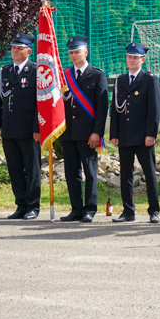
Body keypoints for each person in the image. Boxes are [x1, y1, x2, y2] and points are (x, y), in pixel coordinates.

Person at [109, 42, 160, 224]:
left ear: (143, 60)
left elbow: (154, 109)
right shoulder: (120, 80)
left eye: (136, 58)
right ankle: (128, 210)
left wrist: (151, 134)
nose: (132, 60)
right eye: (129, 57)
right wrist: (114, 133)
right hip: (124, 134)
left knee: (149, 172)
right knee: (125, 174)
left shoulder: (149, 79)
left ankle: (154, 210)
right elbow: (115, 108)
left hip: (143, 135)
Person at [0, 33, 41, 219]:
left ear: (28, 51)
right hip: (10, 128)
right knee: (14, 168)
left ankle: (33, 206)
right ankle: (20, 205)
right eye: (13, 48)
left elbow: (39, 103)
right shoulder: (5, 71)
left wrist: (37, 128)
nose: (15, 51)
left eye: (19, 48)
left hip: (29, 130)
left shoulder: (35, 71)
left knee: (32, 168)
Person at [60, 36, 108, 223]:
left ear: (86, 52)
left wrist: (97, 132)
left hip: (88, 133)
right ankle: (76, 209)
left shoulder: (97, 75)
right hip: (69, 132)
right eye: (71, 52)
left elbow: (102, 107)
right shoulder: (65, 75)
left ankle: (90, 209)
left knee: (90, 172)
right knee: (71, 173)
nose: (73, 55)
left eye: (76, 51)